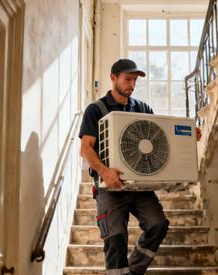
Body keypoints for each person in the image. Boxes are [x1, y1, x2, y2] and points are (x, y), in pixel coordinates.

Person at [78, 59, 199, 275]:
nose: (132, 84)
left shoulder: (143, 109)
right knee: (115, 239)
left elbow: (160, 141)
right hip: (110, 187)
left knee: (158, 224)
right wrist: (105, 171)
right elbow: (86, 149)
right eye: (127, 79)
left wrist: (190, 136)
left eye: (135, 80)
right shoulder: (96, 110)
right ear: (113, 78)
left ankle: (133, 271)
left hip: (140, 186)